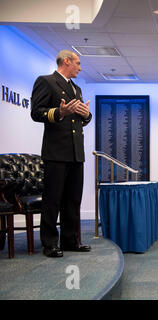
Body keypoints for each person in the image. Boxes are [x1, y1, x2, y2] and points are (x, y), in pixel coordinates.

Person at [31, 50, 92, 258]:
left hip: (76, 152)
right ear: (66, 61)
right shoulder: (46, 82)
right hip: (56, 152)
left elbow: (79, 119)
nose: (80, 67)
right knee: (53, 200)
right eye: (77, 62)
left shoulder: (77, 88)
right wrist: (59, 112)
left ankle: (70, 240)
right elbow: (36, 112)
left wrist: (87, 115)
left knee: (73, 200)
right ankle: (49, 244)